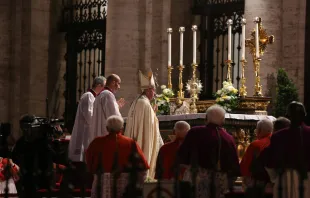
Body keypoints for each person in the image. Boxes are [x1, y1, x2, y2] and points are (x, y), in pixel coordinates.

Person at [178, 104, 240, 198]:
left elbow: (182, 155)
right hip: (220, 180)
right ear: (223, 119)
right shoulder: (228, 138)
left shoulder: (195, 132)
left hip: (197, 177)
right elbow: (234, 165)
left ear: (206, 118)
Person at [86, 115, 149, 198]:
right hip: (125, 185)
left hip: (101, 182)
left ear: (107, 128)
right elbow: (143, 165)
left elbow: (89, 160)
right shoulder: (130, 143)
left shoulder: (97, 142)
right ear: (121, 128)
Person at [260, 101, 310, 198]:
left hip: (285, 181)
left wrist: (274, 178)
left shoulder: (278, 136)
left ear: (288, 116)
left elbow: (268, 161)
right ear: (304, 115)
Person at [124, 70, 164, 179]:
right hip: (142, 143)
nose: (154, 94)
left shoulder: (139, 100)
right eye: (153, 90)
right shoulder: (144, 103)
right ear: (148, 90)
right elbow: (147, 127)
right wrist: (154, 116)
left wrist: (153, 114)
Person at [68, 76, 106, 162]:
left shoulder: (93, 97)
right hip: (85, 132)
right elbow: (90, 117)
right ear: (99, 85)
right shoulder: (88, 96)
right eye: (104, 86)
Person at [89, 74, 124, 143]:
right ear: (113, 83)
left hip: (97, 133)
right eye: (118, 84)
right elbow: (114, 117)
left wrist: (117, 106)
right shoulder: (108, 95)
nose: (119, 87)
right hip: (105, 134)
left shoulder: (100, 95)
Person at [240, 119, 273, 189]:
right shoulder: (276, 141)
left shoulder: (256, 144)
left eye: (256, 129)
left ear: (260, 130)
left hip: (258, 182)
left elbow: (245, 166)